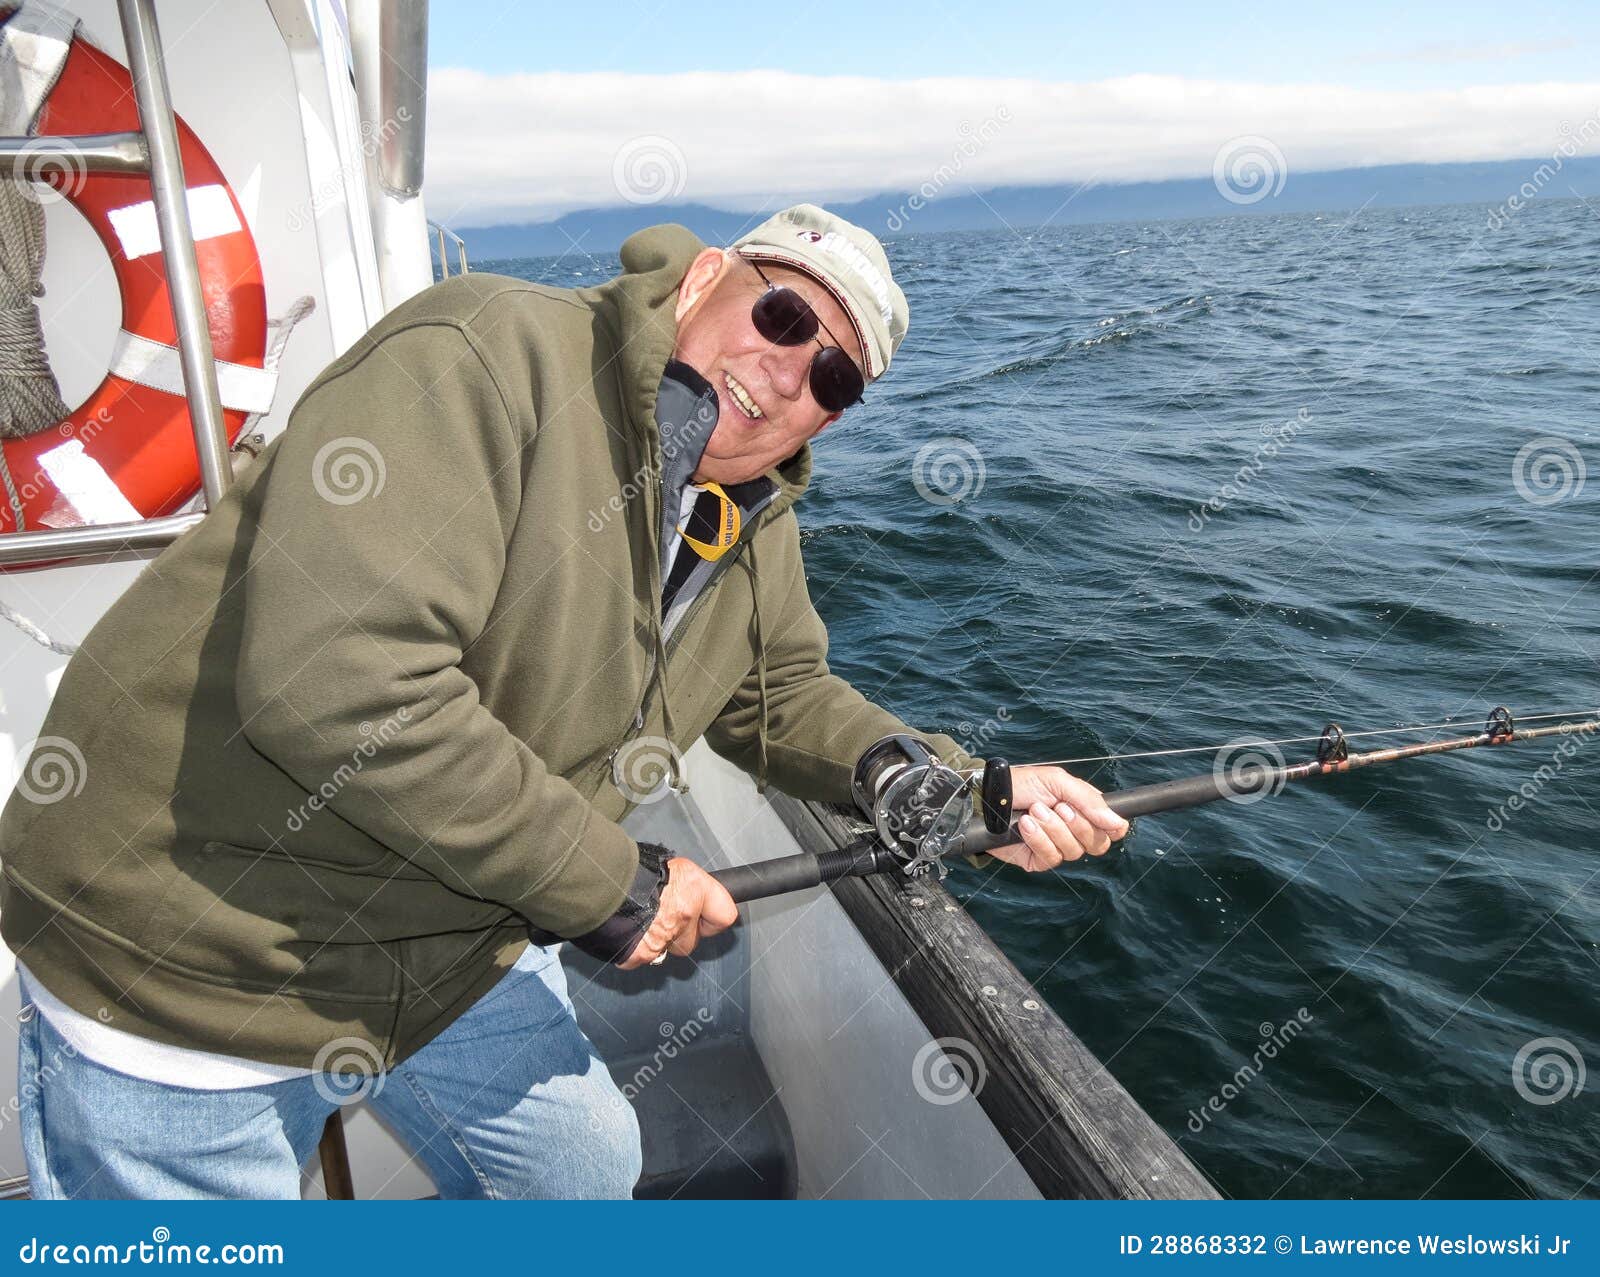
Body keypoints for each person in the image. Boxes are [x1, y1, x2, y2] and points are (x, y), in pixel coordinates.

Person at [0, 204, 1127, 1199]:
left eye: (833, 379)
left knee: (575, 1173)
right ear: (703, 279)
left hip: (446, 943)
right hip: (192, 956)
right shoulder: (485, 354)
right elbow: (337, 684)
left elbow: (776, 687)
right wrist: (609, 884)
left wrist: (926, 779)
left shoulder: (742, 512)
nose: (791, 374)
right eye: (784, 320)